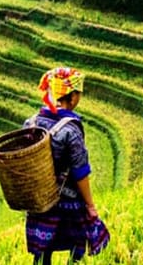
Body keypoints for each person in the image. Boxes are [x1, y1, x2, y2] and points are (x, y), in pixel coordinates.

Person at [24, 67, 109, 264]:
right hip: (67, 199)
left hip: (41, 200)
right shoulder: (71, 129)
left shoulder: (31, 122)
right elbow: (80, 171)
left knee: (42, 251)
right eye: (78, 94)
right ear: (70, 98)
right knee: (78, 245)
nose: (79, 98)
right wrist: (90, 206)